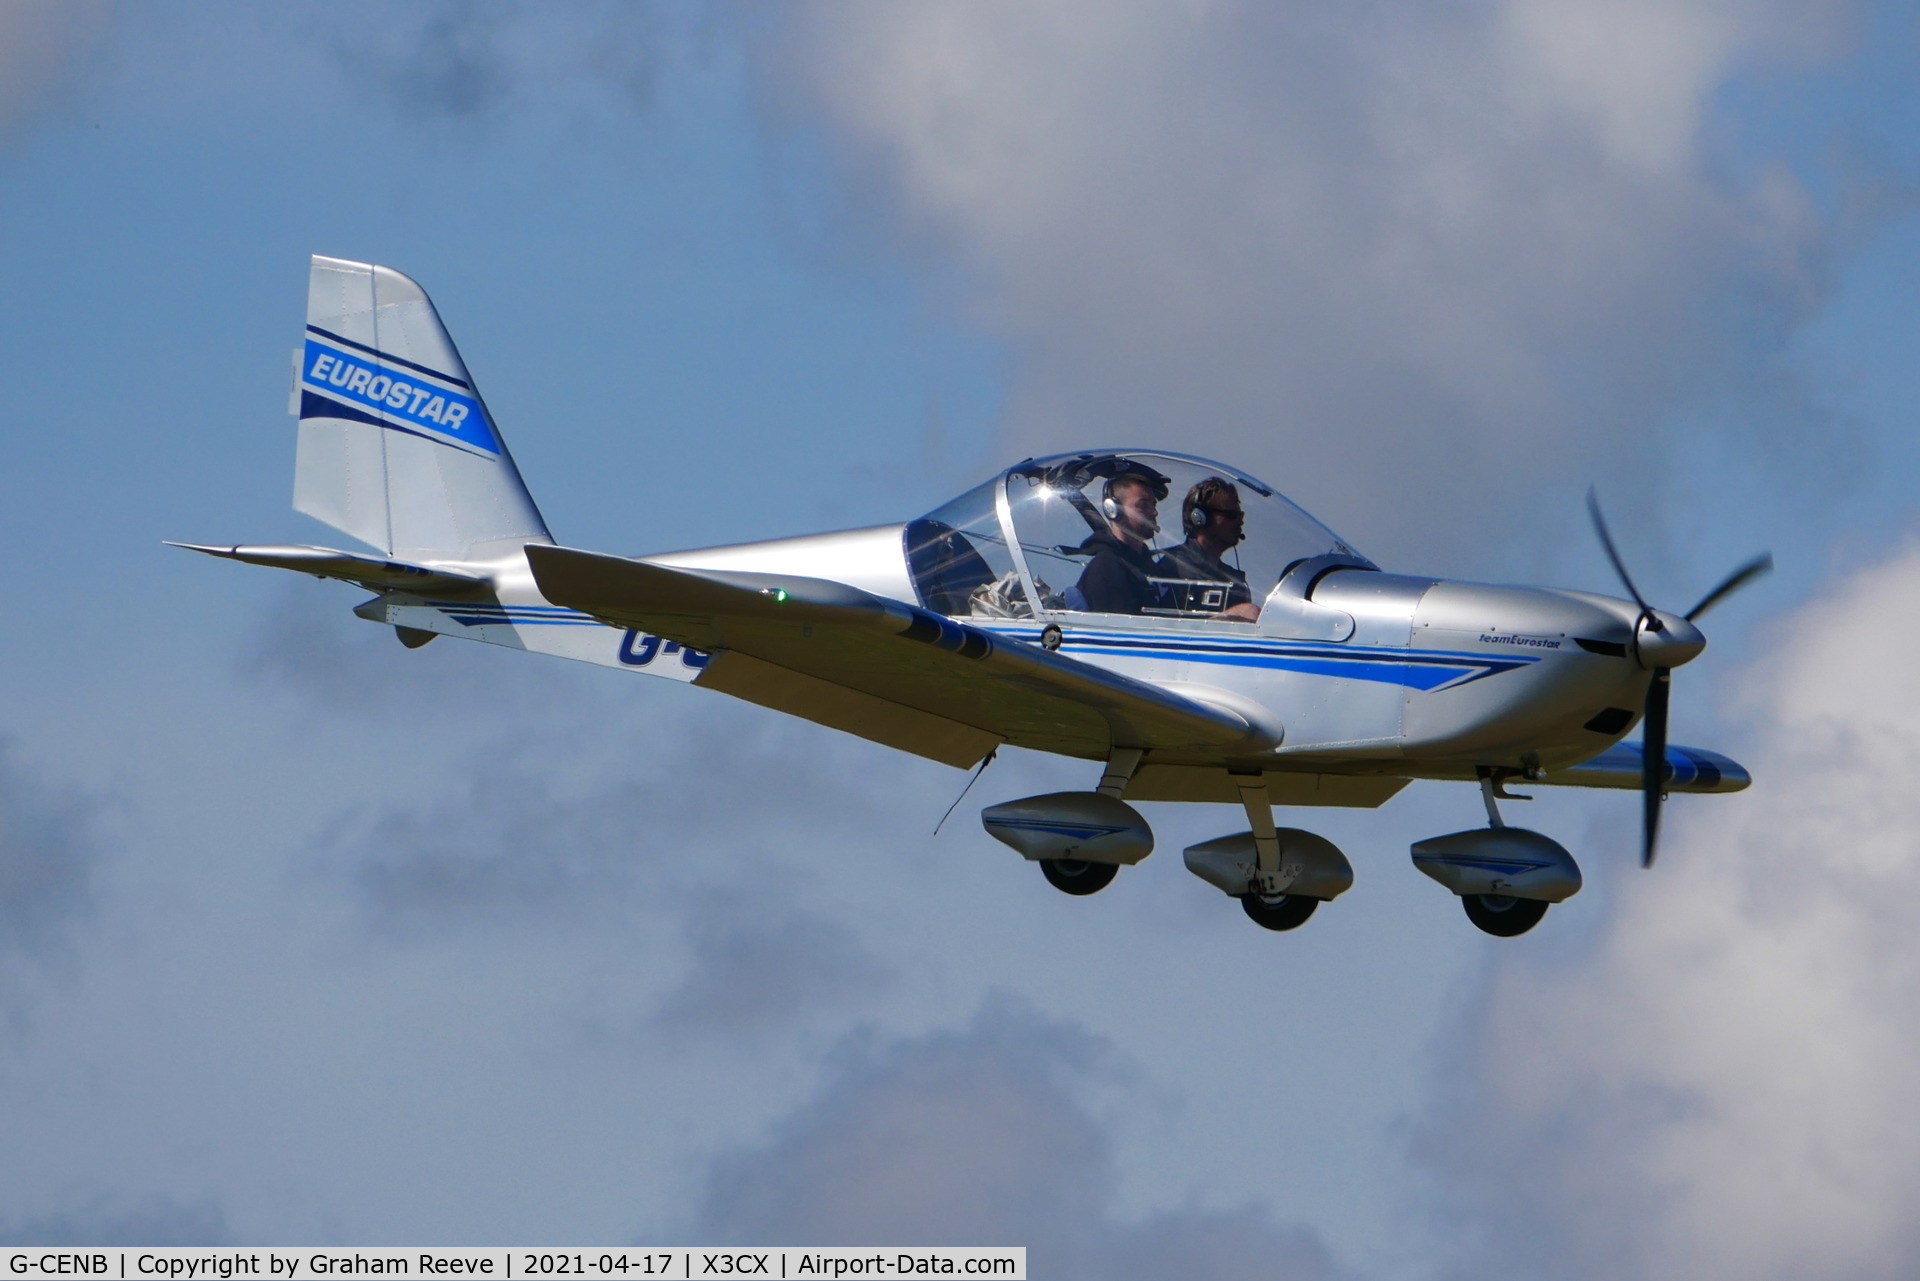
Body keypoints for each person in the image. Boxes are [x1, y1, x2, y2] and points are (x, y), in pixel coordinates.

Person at [1156, 476, 1260, 622]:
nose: (1240, 521)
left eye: (1240, 515)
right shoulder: (1171, 569)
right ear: (1200, 518)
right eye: (1231, 515)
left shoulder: (1231, 580)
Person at [1068, 473, 1163, 613]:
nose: (1154, 512)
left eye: (1153, 504)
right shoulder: (1107, 568)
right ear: (1113, 510)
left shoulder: (1147, 566)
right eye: (1143, 505)